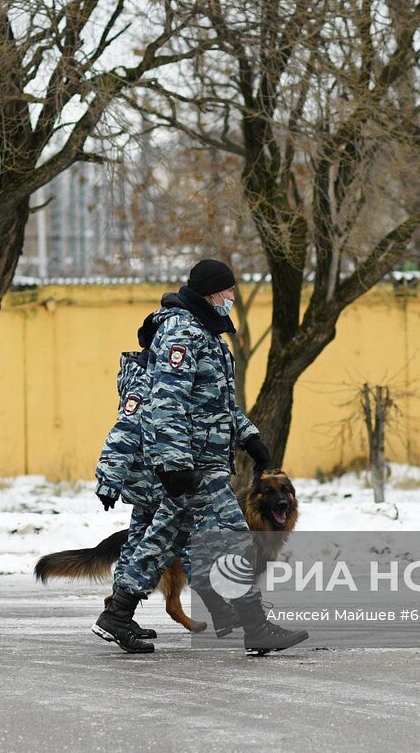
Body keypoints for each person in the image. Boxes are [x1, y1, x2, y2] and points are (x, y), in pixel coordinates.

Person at [94, 259, 307, 655]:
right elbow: (167, 401)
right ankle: (255, 626)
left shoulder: (206, 334)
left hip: (201, 461)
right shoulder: (182, 332)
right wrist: (174, 463)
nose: (231, 298)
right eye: (228, 292)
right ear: (212, 292)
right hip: (193, 464)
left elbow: (214, 404)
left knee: (160, 538)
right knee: (234, 538)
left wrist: (250, 437)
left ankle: (119, 613)